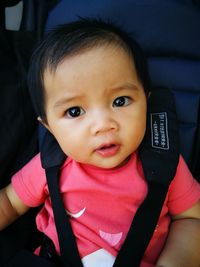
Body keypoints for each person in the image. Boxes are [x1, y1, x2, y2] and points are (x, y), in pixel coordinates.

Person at [0, 18, 200, 267]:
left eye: (121, 101)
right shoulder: (49, 166)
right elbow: (9, 203)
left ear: (146, 103)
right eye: (75, 112)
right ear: (49, 127)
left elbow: (191, 219)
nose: (104, 124)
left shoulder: (163, 162)